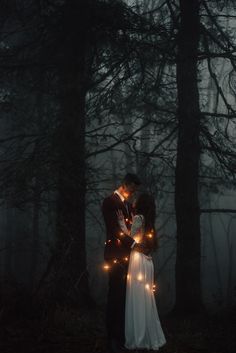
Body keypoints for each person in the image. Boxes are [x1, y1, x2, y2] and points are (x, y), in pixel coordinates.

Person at [102, 173, 147, 353]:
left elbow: (129, 229)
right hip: (115, 257)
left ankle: (121, 336)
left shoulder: (128, 206)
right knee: (115, 297)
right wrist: (134, 244)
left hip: (129, 258)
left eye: (136, 190)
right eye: (132, 188)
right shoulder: (110, 202)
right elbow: (114, 230)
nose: (134, 192)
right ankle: (112, 338)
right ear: (125, 184)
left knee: (124, 298)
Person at [117, 193, 166, 351]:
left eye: (138, 199)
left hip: (138, 261)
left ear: (141, 203)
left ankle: (138, 339)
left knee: (137, 299)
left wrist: (121, 223)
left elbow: (129, 238)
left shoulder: (139, 218)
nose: (135, 200)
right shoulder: (149, 221)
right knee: (146, 300)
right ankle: (148, 337)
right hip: (147, 262)